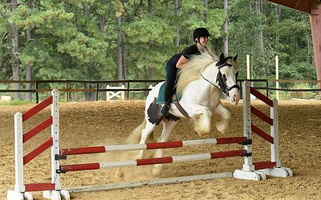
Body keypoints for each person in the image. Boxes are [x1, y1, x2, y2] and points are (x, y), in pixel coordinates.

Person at [160, 27, 211, 117]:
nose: (206, 40)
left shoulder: (204, 51)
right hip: (174, 65)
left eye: (207, 38)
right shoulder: (191, 50)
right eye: (204, 37)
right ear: (197, 39)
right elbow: (179, 64)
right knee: (171, 83)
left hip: (187, 67)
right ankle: (166, 105)